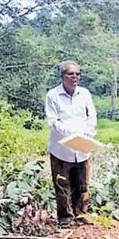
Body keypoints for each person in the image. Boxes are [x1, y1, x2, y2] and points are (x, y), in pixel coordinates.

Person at [44, 60, 97, 228]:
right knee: (62, 183)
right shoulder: (52, 95)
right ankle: (65, 217)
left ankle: (81, 214)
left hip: (82, 146)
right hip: (61, 148)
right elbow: (53, 121)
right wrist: (71, 134)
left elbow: (92, 116)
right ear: (62, 76)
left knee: (82, 183)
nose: (75, 77)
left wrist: (87, 133)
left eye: (77, 74)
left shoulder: (85, 94)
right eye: (70, 74)